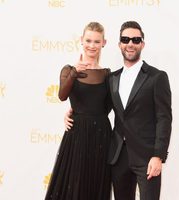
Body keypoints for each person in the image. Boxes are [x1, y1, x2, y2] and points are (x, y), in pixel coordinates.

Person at [65, 20, 172, 200]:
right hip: (117, 156)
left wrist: (158, 156)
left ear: (142, 44)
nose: (130, 43)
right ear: (119, 44)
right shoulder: (112, 78)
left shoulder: (157, 77)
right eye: (126, 39)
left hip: (147, 158)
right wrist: (73, 111)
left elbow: (164, 118)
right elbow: (98, 105)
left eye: (136, 40)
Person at [44, 22, 112, 200]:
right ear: (81, 40)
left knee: (96, 183)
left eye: (97, 41)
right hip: (77, 133)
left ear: (104, 43)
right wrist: (74, 73)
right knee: (73, 183)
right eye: (88, 40)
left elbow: (108, 106)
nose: (92, 45)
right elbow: (62, 95)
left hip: (101, 135)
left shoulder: (107, 74)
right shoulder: (68, 70)